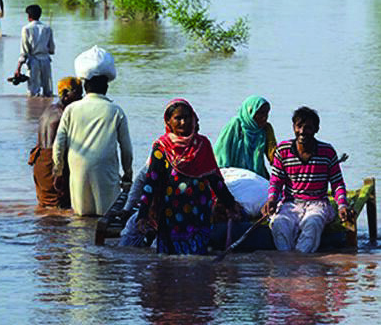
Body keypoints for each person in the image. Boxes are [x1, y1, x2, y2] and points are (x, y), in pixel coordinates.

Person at [135, 98, 243, 255]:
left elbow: (215, 180)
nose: (183, 122)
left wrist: (230, 204)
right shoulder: (162, 147)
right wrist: (142, 215)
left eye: (187, 117)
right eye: (178, 118)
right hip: (171, 214)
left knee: (197, 257)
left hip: (199, 213)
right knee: (170, 259)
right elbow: (151, 181)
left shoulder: (202, 145)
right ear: (168, 121)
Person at [264, 106, 352, 253]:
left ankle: (302, 261)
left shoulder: (327, 152)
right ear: (293, 127)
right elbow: (276, 181)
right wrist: (271, 200)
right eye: (299, 126)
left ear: (316, 129)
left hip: (317, 203)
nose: (302, 132)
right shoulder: (283, 151)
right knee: (279, 224)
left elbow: (337, 184)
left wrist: (342, 205)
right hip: (291, 203)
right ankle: (286, 261)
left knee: (313, 223)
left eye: (308, 128)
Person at [52, 64, 133, 217]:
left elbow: (59, 143)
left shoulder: (71, 109)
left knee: (80, 217)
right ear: (106, 87)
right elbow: (126, 148)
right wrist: (127, 174)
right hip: (105, 170)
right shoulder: (115, 111)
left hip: (78, 168)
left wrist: (58, 170)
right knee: (106, 216)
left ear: (85, 87)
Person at [29, 77, 83, 209]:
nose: (81, 98)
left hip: (39, 162)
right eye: (77, 94)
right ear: (65, 95)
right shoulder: (64, 114)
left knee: (45, 207)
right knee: (59, 207)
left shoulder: (49, 109)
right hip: (52, 163)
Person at [213, 95, 277, 180]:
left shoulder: (266, 129)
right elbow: (222, 152)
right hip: (234, 176)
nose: (264, 117)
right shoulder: (236, 125)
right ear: (250, 112)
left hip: (258, 176)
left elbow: (273, 156)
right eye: (261, 113)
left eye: (266, 113)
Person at [15, 4, 55, 97]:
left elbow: (24, 52)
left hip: (33, 62)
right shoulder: (47, 28)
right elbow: (52, 50)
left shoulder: (26, 29)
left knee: (32, 92)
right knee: (48, 92)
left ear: (29, 16)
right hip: (46, 61)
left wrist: (18, 68)